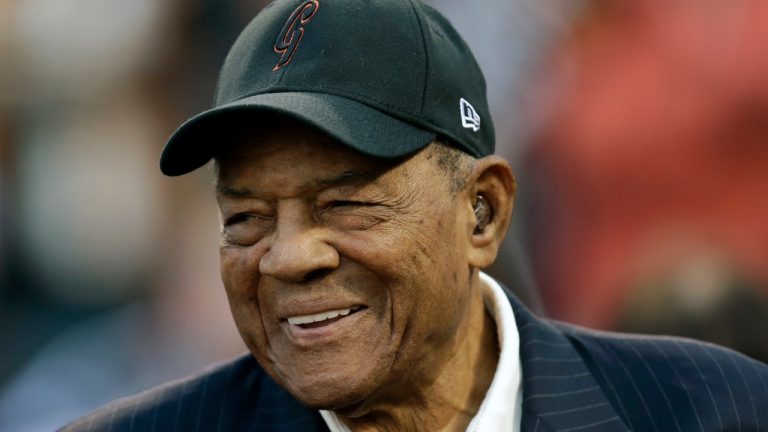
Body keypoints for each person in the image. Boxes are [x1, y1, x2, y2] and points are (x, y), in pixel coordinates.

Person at [62, 0, 768, 431]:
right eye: (245, 217)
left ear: (482, 214)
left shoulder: (714, 412)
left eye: (344, 204)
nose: (287, 256)